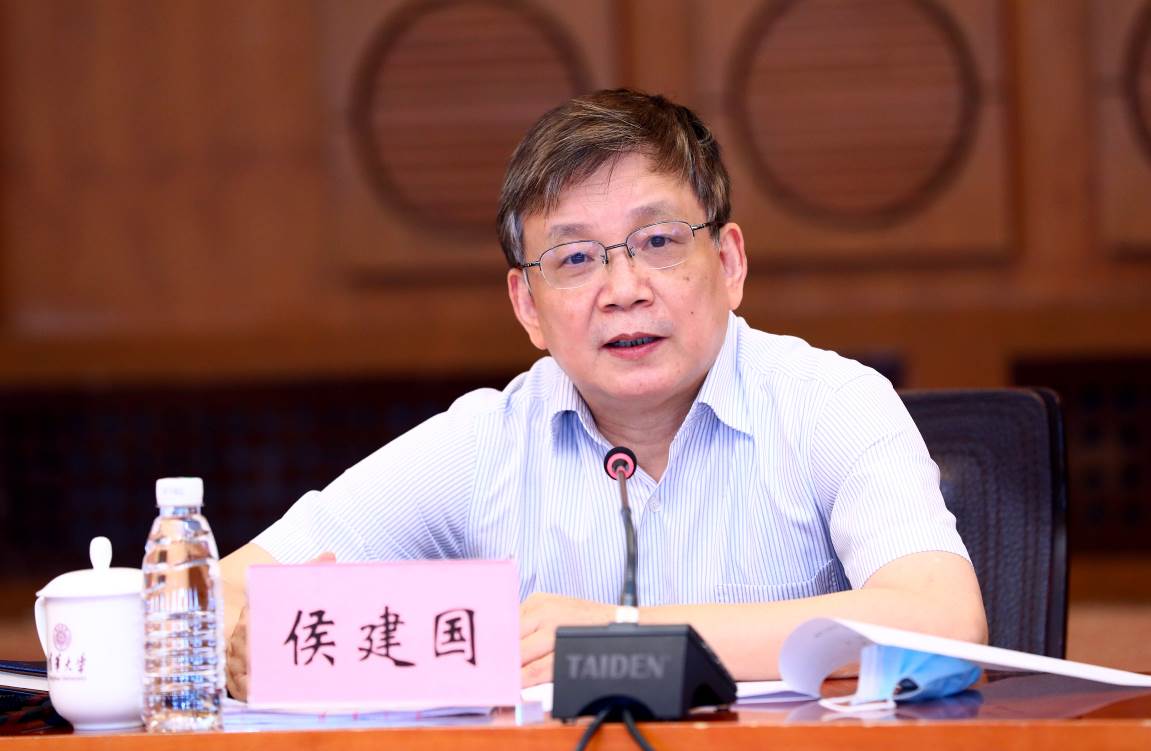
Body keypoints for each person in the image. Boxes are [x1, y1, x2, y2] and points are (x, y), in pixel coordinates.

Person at [221, 89, 987, 700]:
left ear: (728, 262)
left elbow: (944, 621)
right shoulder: (484, 442)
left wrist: (622, 640)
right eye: (576, 258)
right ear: (526, 305)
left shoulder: (830, 403)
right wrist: (250, 646)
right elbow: (218, 590)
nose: (623, 289)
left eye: (658, 242)